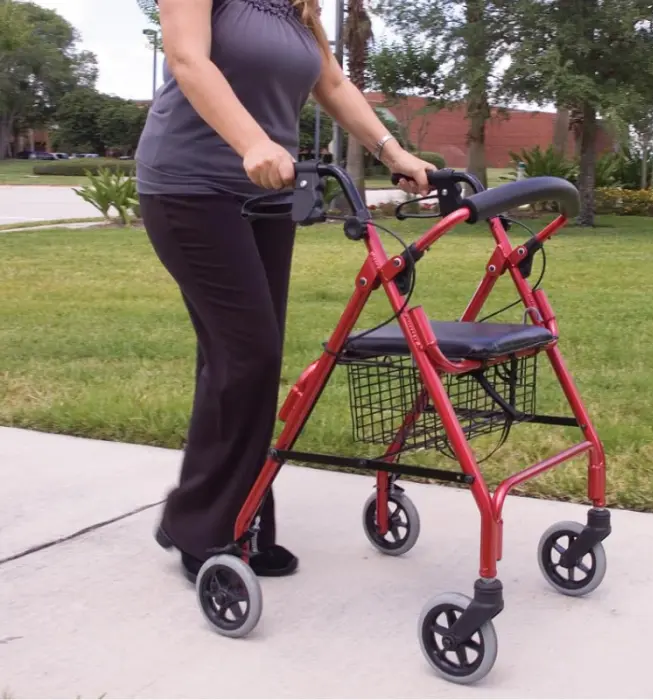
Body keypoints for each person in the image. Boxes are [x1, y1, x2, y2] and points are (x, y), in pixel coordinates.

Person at [135, 0, 435, 583]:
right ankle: (205, 525)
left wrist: (394, 153)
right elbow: (188, 59)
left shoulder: (299, 8)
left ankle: (229, 519)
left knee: (240, 361)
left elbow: (332, 83)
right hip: (189, 187)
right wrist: (252, 141)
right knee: (247, 354)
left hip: (269, 193)